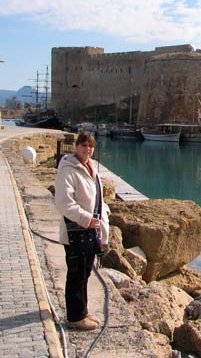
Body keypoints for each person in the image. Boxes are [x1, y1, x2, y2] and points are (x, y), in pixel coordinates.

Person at [54, 131, 110, 330]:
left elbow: (98, 201)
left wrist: (102, 226)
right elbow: (62, 202)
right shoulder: (68, 170)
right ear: (76, 147)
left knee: (85, 273)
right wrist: (86, 219)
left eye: (90, 146)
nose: (87, 149)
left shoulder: (90, 168)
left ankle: (82, 311)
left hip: (89, 231)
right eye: (84, 145)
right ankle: (75, 317)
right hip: (76, 232)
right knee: (76, 274)